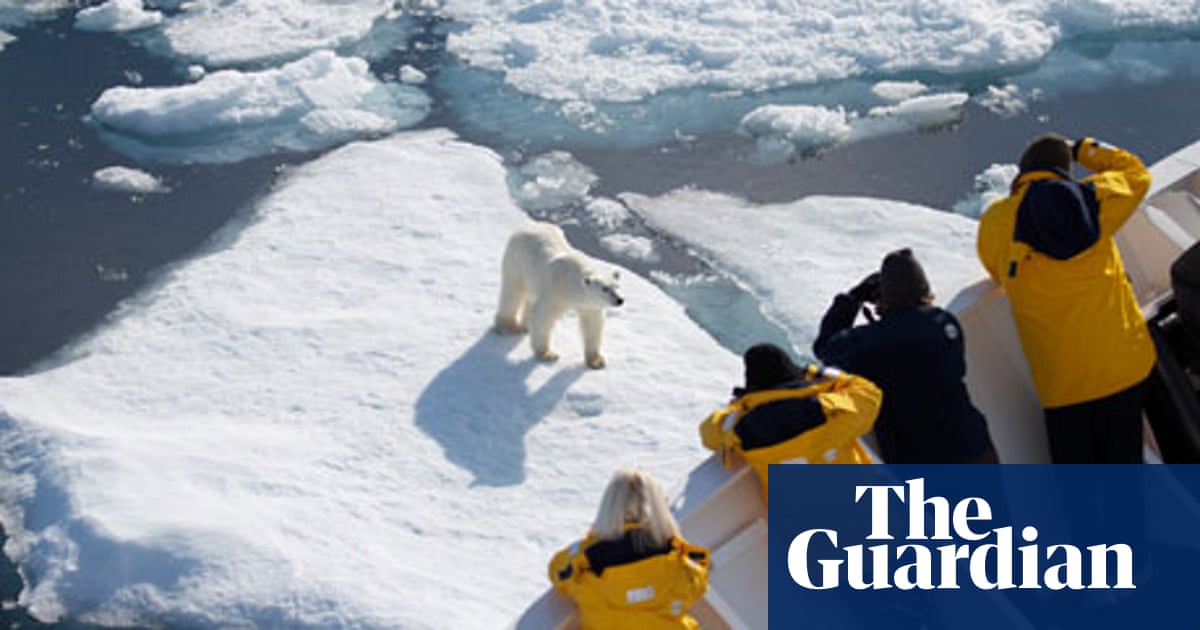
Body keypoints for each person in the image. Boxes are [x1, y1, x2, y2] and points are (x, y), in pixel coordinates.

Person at [977, 134, 1154, 463]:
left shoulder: (996, 222)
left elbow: (996, 271)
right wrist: (1083, 148)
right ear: (1062, 171)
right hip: (1119, 367)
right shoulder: (1094, 201)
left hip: (1061, 383)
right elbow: (1137, 173)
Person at [812, 248, 999, 464]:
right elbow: (910, 330)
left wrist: (852, 298)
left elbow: (826, 348)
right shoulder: (945, 324)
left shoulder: (869, 342)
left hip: (918, 459)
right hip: (974, 448)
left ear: (884, 297)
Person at [699, 343, 881, 502]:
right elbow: (869, 393)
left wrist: (741, 406)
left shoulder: (742, 429)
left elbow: (708, 434)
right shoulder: (830, 410)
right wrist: (819, 374)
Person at [547, 469, 710, 629]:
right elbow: (699, 583)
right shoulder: (681, 562)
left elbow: (556, 571)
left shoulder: (583, 562)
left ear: (608, 507)